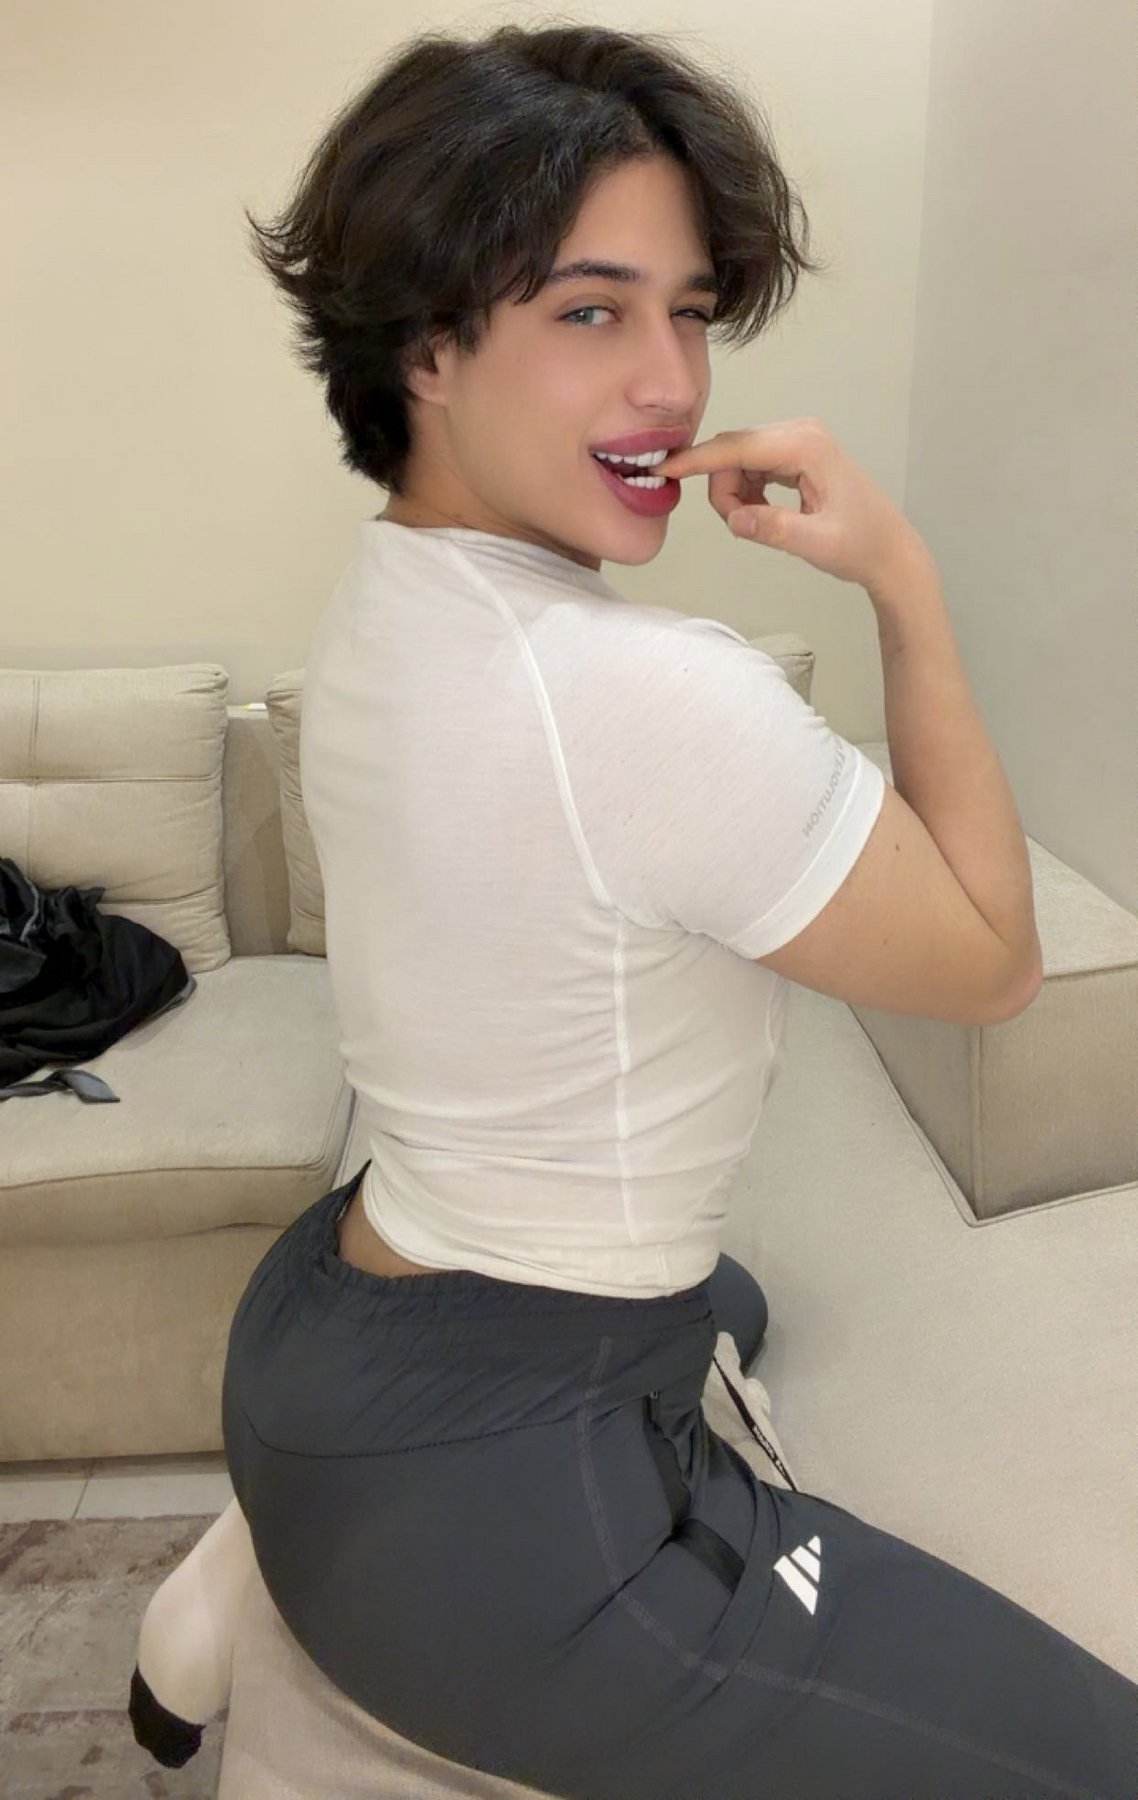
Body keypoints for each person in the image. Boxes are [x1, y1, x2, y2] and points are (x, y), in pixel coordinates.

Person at [130, 21, 1138, 1796]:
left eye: (687, 312)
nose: (670, 382)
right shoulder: (647, 692)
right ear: (426, 344)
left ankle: (237, 1575)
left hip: (329, 1315)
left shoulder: (382, 597)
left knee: (728, 1295)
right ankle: (308, 1586)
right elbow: (992, 964)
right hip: (484, 1498)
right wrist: (901, 576)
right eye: (590, 312)